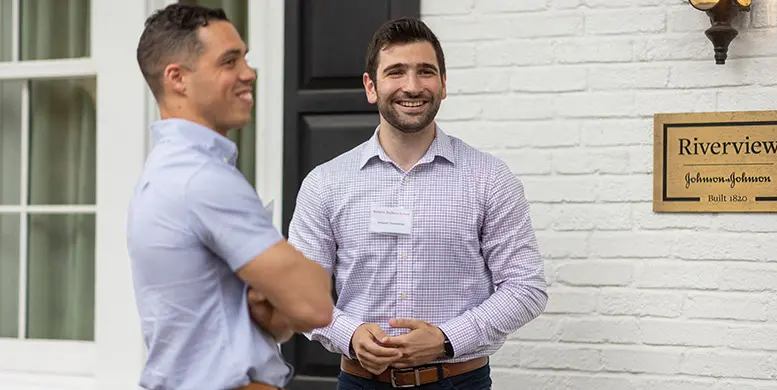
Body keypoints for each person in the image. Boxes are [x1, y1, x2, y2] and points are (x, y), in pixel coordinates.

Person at [287, 17, 548, 390]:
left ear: (443, 84)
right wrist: (349, 333)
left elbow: (525, 287)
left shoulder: (490, 178)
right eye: (396, 72)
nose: (412, 86)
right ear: (371, 86)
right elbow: (297, 292)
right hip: (361, 382)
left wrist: (445, 339)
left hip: (458, 382)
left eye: (425, 72)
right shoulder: (325, 183)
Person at [127, 4, 333, 390]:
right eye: (229, 61)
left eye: (246, 58)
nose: (248, 73)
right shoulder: (203, 178)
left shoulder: (165, 172)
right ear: (178, 79)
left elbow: (276, 319)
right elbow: (314, 305)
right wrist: (296, 283)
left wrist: (270, 303)